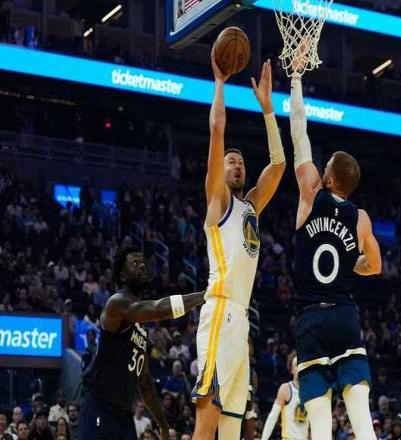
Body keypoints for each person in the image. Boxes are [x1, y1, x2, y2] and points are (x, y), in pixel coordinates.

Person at [191, 52, 286, 440]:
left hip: (241, 319)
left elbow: (278, 166)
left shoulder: (251, 207)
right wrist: (219, 84)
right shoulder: (218, 201)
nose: (237, 165)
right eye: (231, 161)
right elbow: (217, 130)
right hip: (220, 311)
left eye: (241, 162)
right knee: (207, 415)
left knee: (233, 425)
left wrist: (268, 110)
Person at [288, 52, 381, 440]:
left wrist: (295, 79)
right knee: (361, 416)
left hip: (311, 317)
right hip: (344, 313)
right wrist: (352, 263)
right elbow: (375, 266)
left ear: (327, 177)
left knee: (321, 424)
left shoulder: (311, 193)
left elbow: (299, 133)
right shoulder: (361, 219)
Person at [79, 246, 206, 440]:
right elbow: (157, 309)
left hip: (123, 415)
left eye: (143, 262)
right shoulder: (116, 303)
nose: (142, 266)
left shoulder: (140, 328)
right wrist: (204, 296)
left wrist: (162, 424)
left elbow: (145, 382)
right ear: (122, 275)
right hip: (99, 408)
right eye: (135, 263)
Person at [261, 356, 309, 440]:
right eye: (296, 365)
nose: (299, 367)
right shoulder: (286, 388)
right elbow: (272, 417)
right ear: (292, 370)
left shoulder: (310, 392)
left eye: (302, 364)